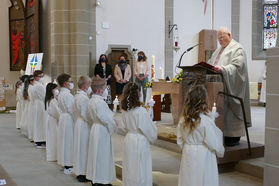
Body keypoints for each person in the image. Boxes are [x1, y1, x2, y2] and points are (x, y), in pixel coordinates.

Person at [208, 26, 251, 146]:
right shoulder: (218, 50)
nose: (220, 40)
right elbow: (212, 64)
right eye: (218, 38)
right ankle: (220, 133)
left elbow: (238, 67)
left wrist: (223, 69)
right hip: (218, 88)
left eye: (222, 37)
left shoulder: (237, 48)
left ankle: (232, 137)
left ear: (229, 35)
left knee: (230, 114)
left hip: (231, 87)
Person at [177, 85, 224, 186]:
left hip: (188, 153)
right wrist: (220, 151)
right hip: (204, 155)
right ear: (204, 101)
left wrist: (187, 147)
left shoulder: (183, 120)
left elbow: (180, 140)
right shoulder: (205, 121)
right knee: (203, 180)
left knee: (189, 180)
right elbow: (214, 142)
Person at [121, 83, 157, 186]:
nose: (141, 93)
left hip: (128, 139)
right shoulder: (141, 111)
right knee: (140, 167)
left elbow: (123, 127)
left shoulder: (124, 110)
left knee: (130, 167)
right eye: (140, 91)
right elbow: (148, 129)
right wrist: (153, 127)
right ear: (137, 94)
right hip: (139, 140)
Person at [86, 77, 117, 186]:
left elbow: (89, 117)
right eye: (105, 88)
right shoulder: (101, 103)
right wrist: (115, 123)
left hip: (95, 128)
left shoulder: (91, 101)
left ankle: (96, 177)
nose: (106, 90)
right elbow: (108, 120)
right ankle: (101, 179)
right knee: (102, 155)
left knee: (96, 154)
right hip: (102, 130)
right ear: (100, 90)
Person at [73, 76, 91, 182]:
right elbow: (86, 114)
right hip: (84, 124)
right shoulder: (83, 98)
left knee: (80, 148)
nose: (90, 87)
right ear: (85, 86)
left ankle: (80, 171)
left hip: (79, 123)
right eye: (89, 85)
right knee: (83, 148)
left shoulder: (78, 95)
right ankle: (82, 173)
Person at [56, 73, 75, 174]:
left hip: (63, 117)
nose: (72, 84)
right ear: (65, 83)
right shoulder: (68, 95)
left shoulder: (61, 93)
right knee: (68, 141)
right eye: (70, 82)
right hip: (67, 118)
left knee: (64, 141)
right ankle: (68, 164)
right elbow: (72, 109)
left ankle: (64, 162)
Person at [45, 83, 61, 161]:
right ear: (52, 90)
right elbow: (57, 113)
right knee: (54, 137)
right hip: (54, 121)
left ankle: (52, 155)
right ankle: (55, 155)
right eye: (55, 89)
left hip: (51, 120)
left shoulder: (49, 99)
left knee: (52, 137)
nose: (57, 90)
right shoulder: (53, 101)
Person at [33, 70, 47, 148]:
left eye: (42, 76)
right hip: (40, 104)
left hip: (38, 104)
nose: (42, 78)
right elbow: (44, 96)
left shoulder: (37, 84)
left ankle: (39, 140)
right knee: (41, 122)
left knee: (39, 122)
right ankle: (41, 140)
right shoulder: (39, 86)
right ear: (35, 77)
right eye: (40, 76)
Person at [27, 75, 35, 141]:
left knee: (31, 120)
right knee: (32, 120)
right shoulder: (32, 88)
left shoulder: (30, 87)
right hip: (33, 105)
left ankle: (31, 135)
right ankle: (32, 136)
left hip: (31, 104)